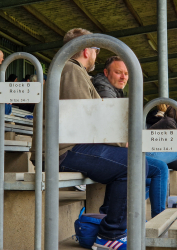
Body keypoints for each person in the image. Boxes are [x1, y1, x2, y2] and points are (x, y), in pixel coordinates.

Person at [31, 28, 139, 249]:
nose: (97, 56)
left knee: (133, 161)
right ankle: (110, 234)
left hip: (65, 147)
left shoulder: (71, 70)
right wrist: (121, 142)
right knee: (132, 163)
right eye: (96, 50)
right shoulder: (70, 69)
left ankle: (109, 227)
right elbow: (85, 120)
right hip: (61, 151)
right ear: (87, 50)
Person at [93, 56, 170, 218]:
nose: (123, 77)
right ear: (106, 72)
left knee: (148, 179)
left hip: (110, 147)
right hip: (102, 148)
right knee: (160, 169)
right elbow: (113, 122)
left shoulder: (114, 90)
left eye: (126, 73)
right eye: (118, 72)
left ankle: (112, 211)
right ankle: (158, 219)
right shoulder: (103, 88)